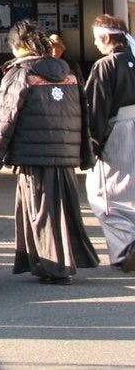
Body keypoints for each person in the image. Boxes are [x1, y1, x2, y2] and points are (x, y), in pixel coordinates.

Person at [0, 19, 99, 284]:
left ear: (19, 46)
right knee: (62, 210)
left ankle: (54, 267)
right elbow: (82, 113)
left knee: (39, 211)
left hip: (32, 154)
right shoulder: (68, 71)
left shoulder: (20, 72)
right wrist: (84, 153)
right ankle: (49, 264)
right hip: (64, 154)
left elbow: (6, 116)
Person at [84, 14, 135, 271]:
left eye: (96, 39)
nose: (95, 44)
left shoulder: (106, 65)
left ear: (105, 38)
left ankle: (126, 246)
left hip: (119, 131)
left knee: (104, 196)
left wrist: (91, 145)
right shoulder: (132, 60)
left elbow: (96, 108)